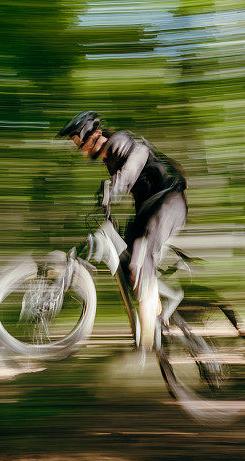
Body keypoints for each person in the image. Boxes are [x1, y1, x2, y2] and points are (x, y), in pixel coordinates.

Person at [57, 111, 188, 351]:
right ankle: (160, 303)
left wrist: (115, 185)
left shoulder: (120, 141)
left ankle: (148, 334)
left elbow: (137, 159)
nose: (80, 149)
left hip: (169, 203)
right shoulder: (110, 161)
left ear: (93, 133)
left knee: (140, 256)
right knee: (128, 261)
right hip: (149, 211)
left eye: (79, 141)